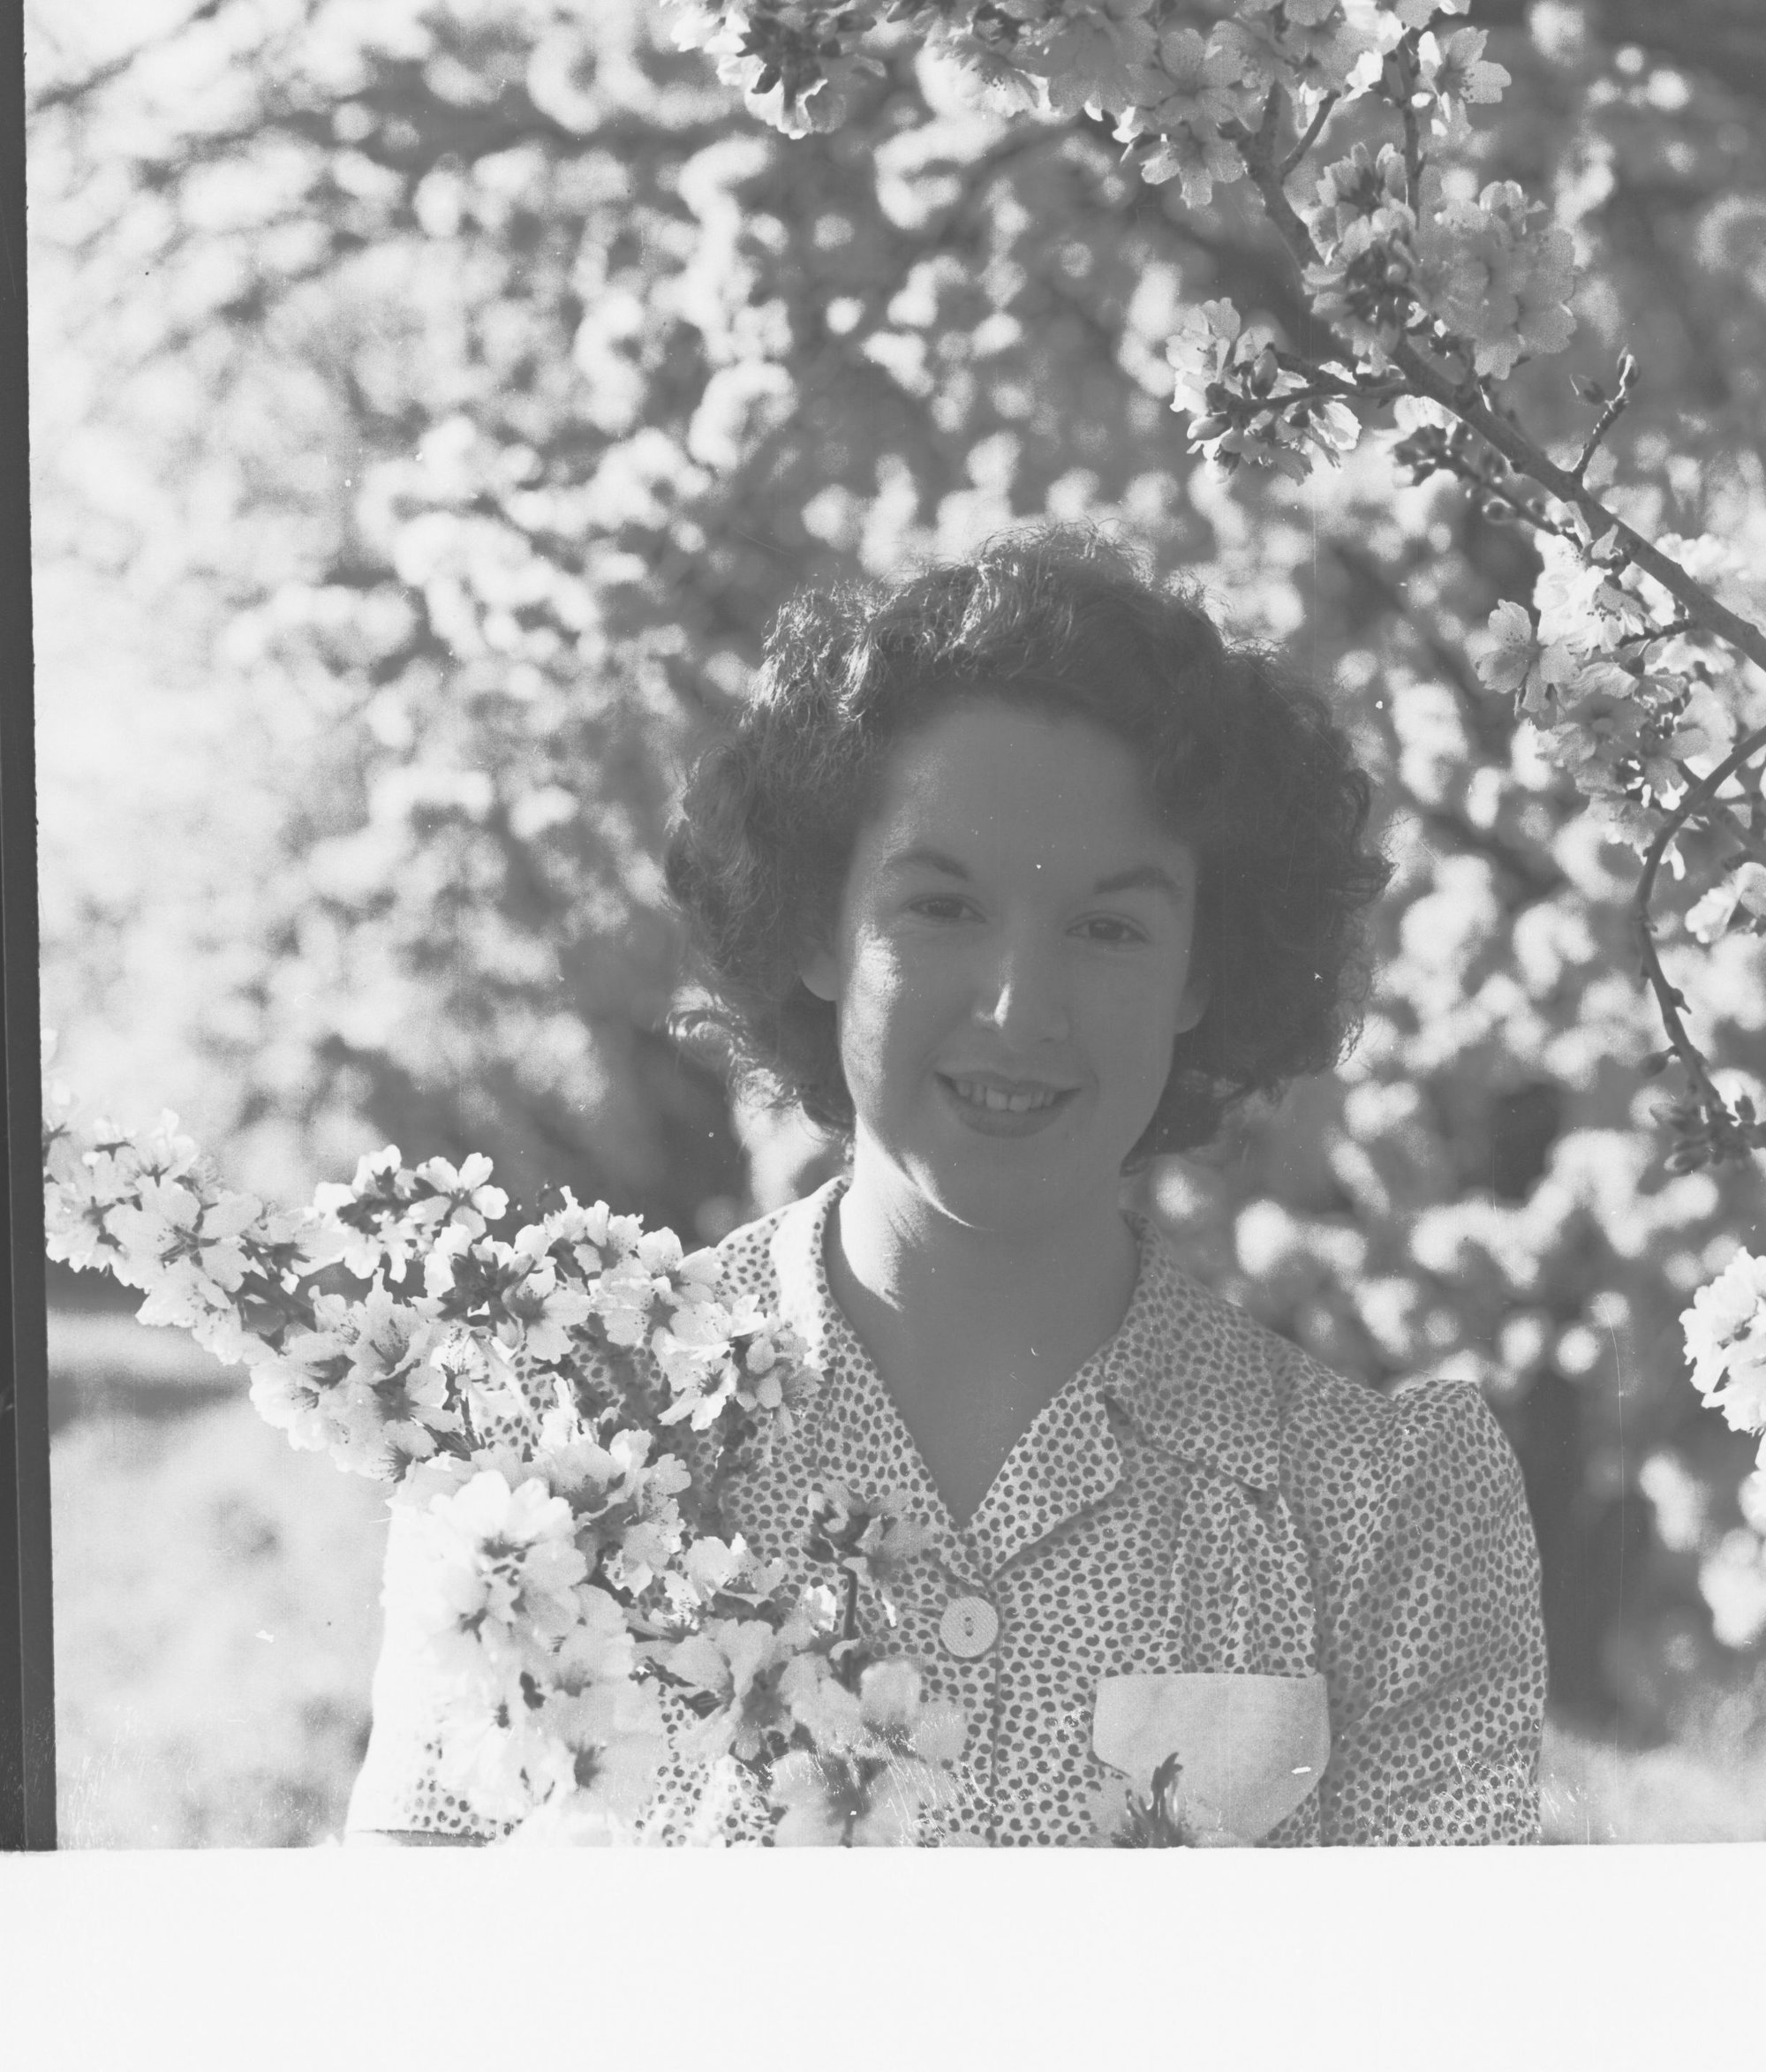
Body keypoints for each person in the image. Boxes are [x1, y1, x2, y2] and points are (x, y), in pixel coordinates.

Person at [347, 524, 1546, 1847]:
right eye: (942, 907)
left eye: (1108, 927)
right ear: (819, 926)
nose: (1021, 1006)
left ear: (1200, 973)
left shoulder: (1383, 1517)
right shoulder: (553, 1443)